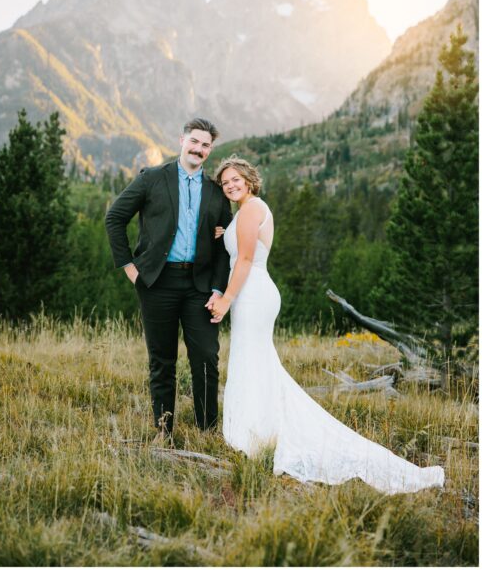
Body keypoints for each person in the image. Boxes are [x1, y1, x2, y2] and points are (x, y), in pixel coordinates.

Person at [208, 155, 444, 494]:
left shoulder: (249, 210)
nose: (230, 185)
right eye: (225, 182)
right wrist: (224, 232)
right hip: (254, 290)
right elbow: (243, 247)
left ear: (249, 180)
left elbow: (244, 258)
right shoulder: (249, 211)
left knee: (253, 358)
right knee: (255, 360)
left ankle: (256, 431)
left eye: (236, 179)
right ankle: (257, 427)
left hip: (251, 292)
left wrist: (227, 298)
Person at [104, 118, 233, 435]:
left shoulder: (216, 193)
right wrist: (131, 270)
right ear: (182, 140)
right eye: (195, 141)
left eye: (205, 145)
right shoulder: (153, 178)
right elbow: (115, 217)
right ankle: (164, 430)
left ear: (210, 150)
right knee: (162, 361)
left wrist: (218, 289)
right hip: (157, 283)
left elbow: (223, 246)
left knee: (205, 358)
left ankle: (206, 430)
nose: (199, 149)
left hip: (200, 287)